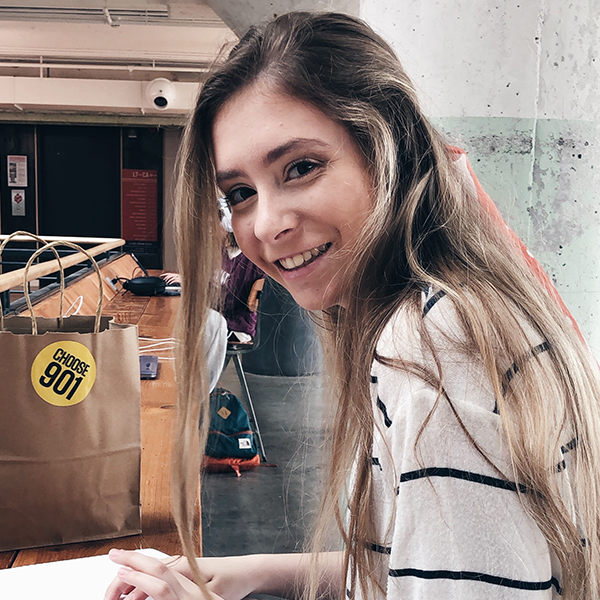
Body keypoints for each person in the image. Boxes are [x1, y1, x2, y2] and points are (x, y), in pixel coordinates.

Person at [105, 12, 600, 600]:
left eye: (301, 167)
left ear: (384, 146)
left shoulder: (434, 350)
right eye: (240, 193)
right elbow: (404, 572)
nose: (264, 224)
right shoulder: (455, 306)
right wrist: (240, 574)